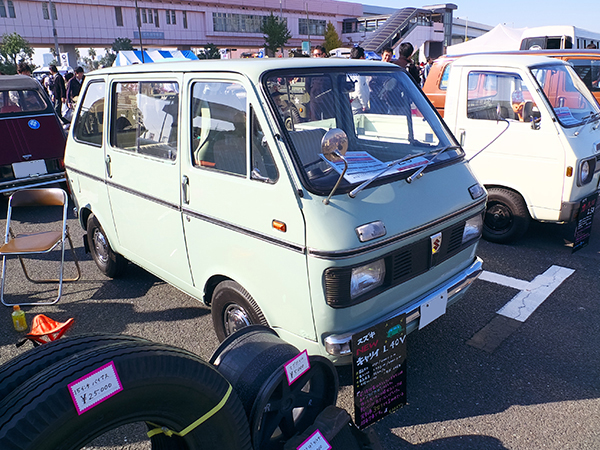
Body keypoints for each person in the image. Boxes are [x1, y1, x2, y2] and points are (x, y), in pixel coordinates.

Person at [348, 46, 369, 113]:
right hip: (358, 106)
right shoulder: (359, 73)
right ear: (361, 58)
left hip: (349, 104)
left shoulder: (347, 69)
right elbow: (359, 89)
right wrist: (364, 105)